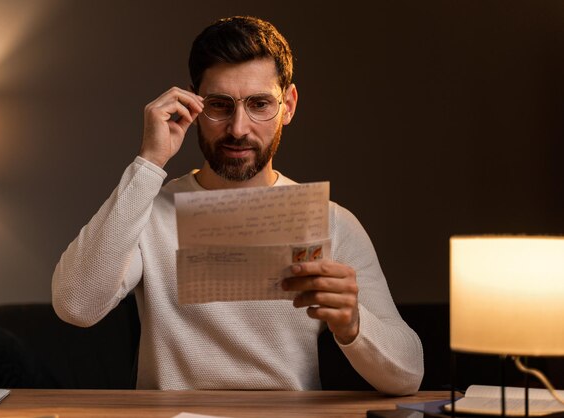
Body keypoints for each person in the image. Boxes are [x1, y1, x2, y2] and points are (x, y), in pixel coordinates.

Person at [52, 16, 423, 394]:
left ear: (289, 105)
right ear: (194, 104)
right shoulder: (147, 212)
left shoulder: (333, 222)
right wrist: (149, 161)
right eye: (220, 105)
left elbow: (408, 375)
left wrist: (354, 325)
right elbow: (76, 306)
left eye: (260, 104)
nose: (238, 128)